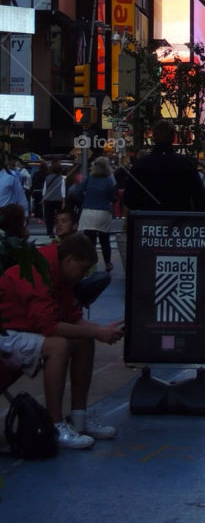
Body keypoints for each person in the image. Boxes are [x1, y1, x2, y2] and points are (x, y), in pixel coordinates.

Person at [0, 232, 124, 449]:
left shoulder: (60, 272)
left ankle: (79, 418)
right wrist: (97, 332)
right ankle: (55, 425)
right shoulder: (39, 271)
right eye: (83, 269)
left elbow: (72, 318)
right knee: (58, 346)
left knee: (83, 340)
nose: (84, 276)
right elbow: (48, 325)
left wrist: (101, 330)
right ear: (69, 261)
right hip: (6, 331)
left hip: (19, 328)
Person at [123, 120, 205, 212]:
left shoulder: (141, 164)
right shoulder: (185, 163)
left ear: (154, 137)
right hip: (179, 216)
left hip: (149, 217)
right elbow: (199, 197)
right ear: (173, 137)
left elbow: (129, 199)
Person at [77, 155, 117, 271]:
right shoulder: (109, 180)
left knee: (90, 241)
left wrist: (85, 200)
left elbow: (78, 192)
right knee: (105, 240)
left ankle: (91, 264)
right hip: (103, 212)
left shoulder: (89, 179)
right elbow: (112, 197)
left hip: (88, 211)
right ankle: (107, 263)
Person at [41, 162, 66, 237]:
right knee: (59, 217)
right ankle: (59, 231)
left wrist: (43, 198)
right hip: (58, 200)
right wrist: (63, 200)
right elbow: (63, 190)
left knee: (49, 217)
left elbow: (44, 190)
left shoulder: (47, 178)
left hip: (48, 199)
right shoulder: (61, 179)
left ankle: (50, 232)